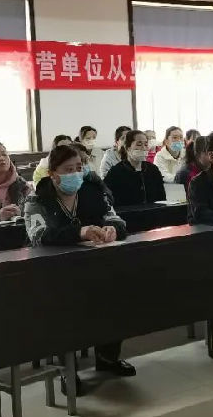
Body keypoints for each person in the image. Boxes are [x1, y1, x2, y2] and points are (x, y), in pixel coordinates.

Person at [24, 144, 135, 379]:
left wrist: (113, 229)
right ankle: (68, 372)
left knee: (116, 297)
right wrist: (80, 232)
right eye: (68, 169)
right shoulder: (38, 199)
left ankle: (108, 358)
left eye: (78, 168)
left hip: (94, 266)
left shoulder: (92, 191)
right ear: (53, 174)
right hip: (54, 274)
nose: (75, 174)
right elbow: (38, 236)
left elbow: (116, 219)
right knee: (67, 309)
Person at [104, 129, 166, 206]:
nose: (143, 148)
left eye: (146, 144)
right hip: (126, 212)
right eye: (139, 144)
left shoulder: (153, 169)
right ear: (127, 148)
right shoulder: (116, 171)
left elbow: (162, 198)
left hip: (153, 211)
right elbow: (108, 198)